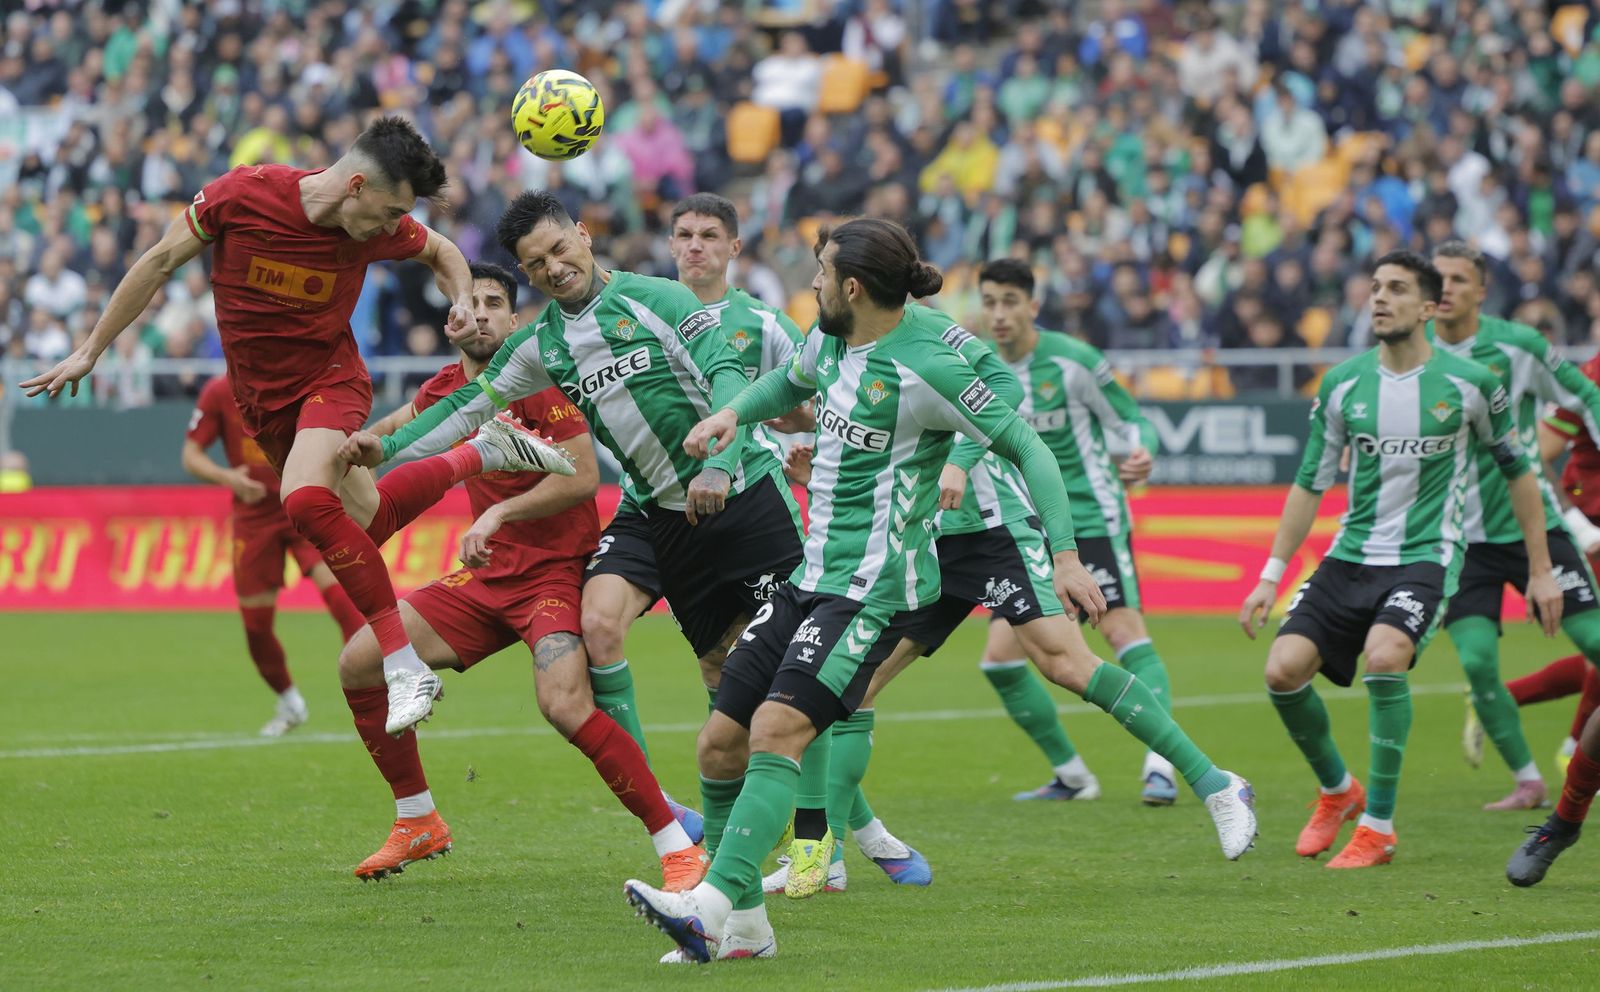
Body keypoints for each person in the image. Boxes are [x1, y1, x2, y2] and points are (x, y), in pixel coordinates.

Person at [626, 218, 1256, 964]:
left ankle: (1214, 783)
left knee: (1059, 664)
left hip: (964, 539)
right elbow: (790, 382)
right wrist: (735, 414)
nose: (811, 283)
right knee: (777, 721)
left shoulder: (930, 354)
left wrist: (1045, 537)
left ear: (853, 285)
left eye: (821, 272)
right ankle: (804, 872)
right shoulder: (831, 337)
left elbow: (1016, 424)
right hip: (868, 558)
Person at [20, 117, 571, 738]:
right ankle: (480, 454)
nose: (394, 227)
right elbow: (160, 260)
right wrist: (91, 349)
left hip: (330, 383)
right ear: (356, 186)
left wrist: (463, 302)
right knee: (369, 521)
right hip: (264, 406)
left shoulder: (376, 227)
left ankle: (402, 664)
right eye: (391, 211)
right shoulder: (242, 196)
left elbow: (442, 252)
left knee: (304, 499)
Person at [338, 191, 808, 769]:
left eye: (560, 249)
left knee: (797, 666)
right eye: (536, 264)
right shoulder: (542, 345)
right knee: (708, 663)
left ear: (583, 235)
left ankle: (826, 821)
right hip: (667, 516)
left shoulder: (657, 298)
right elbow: (463, 408)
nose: (554, 269)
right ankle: (686, 811)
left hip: (742, 490)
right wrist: (386, 447)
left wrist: (719, 461)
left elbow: (726, 370)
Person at [336, 263, 706, 885]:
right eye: (469, 302)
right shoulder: (443, 390)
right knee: (359, 662)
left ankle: (676, 845)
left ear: (514, 321)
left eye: (494, 303)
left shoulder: (538, 381)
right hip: (485, 579)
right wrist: (348, 449)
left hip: (553, 577)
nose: (480, 312)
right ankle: (417, 819)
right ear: (451, 320)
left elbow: (584, 477)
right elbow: (393, 430)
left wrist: (501, 512)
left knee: (564, 705)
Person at [1241, 251, 1563, 870]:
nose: (1380, 298)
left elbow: (1519, 473)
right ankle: (1339, 791)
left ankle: (1379, 828)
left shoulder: (1472, 384)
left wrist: (1541, 567)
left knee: (1385, 657)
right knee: (1281, 671)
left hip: (1427, 555)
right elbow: (1309, 483)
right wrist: (1269, 576)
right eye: (1375, 287)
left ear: (1428, 307)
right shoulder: (1342, 384)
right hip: (1350, 554)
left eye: (1396, 288)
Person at [1424, 240, 1600, 811]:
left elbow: (1586, 395)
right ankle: (1528, 782)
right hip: (1460, 540)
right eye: (1438, 278)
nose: (1445, 288)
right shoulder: (1410, 350)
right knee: (1477, 662)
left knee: (1596, 643)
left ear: (1481, 291)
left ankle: (1580, 759)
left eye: (1458, 279)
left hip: (1534, 531)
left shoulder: (1518, 346)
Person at [182, 373, 367, 736]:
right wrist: (229, 478)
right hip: (254, 518)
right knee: (256, 626)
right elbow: (190, 455)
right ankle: (289, 701)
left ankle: (375, 690)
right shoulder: (219, 392)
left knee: (344, 601)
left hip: (304, 502)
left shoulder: (295, 381)